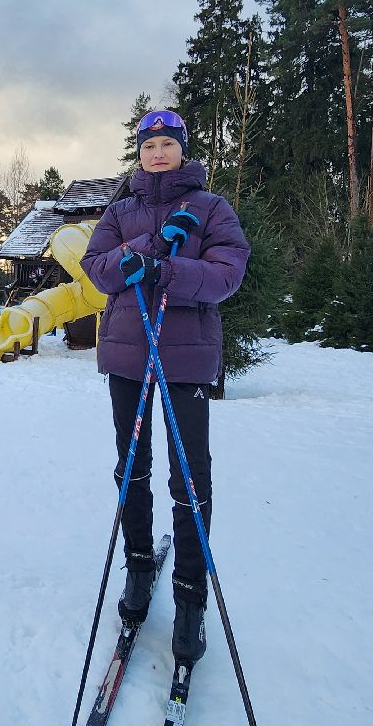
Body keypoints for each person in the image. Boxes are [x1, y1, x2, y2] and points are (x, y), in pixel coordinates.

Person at [81, 109, 250, 665]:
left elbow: (227, 273)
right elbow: (99, 269)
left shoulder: (210, 208)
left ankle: (189, 595)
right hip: (129, 354)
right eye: (148, 144)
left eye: (167, 144)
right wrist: (152, 247)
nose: (157, 153)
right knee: (132, 467)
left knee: (189, 476)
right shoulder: (120, 209)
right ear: (139, 151)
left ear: (182, 149)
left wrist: (167, 273)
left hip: (186, 359)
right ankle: (137, 565)